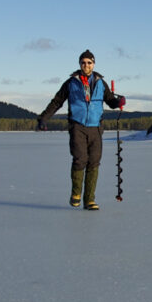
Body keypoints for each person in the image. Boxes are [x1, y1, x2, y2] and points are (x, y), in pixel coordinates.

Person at [37, 50, 125, 210]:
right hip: (77, 126)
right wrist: (44, 118)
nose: (86, 65)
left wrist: (119, 102)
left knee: (94, 163)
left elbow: (110, 101)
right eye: (83, 62)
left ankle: (89, 200)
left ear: (94, 64)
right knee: (80, 159)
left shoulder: (100, 83)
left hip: (96, 128)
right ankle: (76, 193)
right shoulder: (71, 83)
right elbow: (57, 102)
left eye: (89, 62)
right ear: (80, 64)